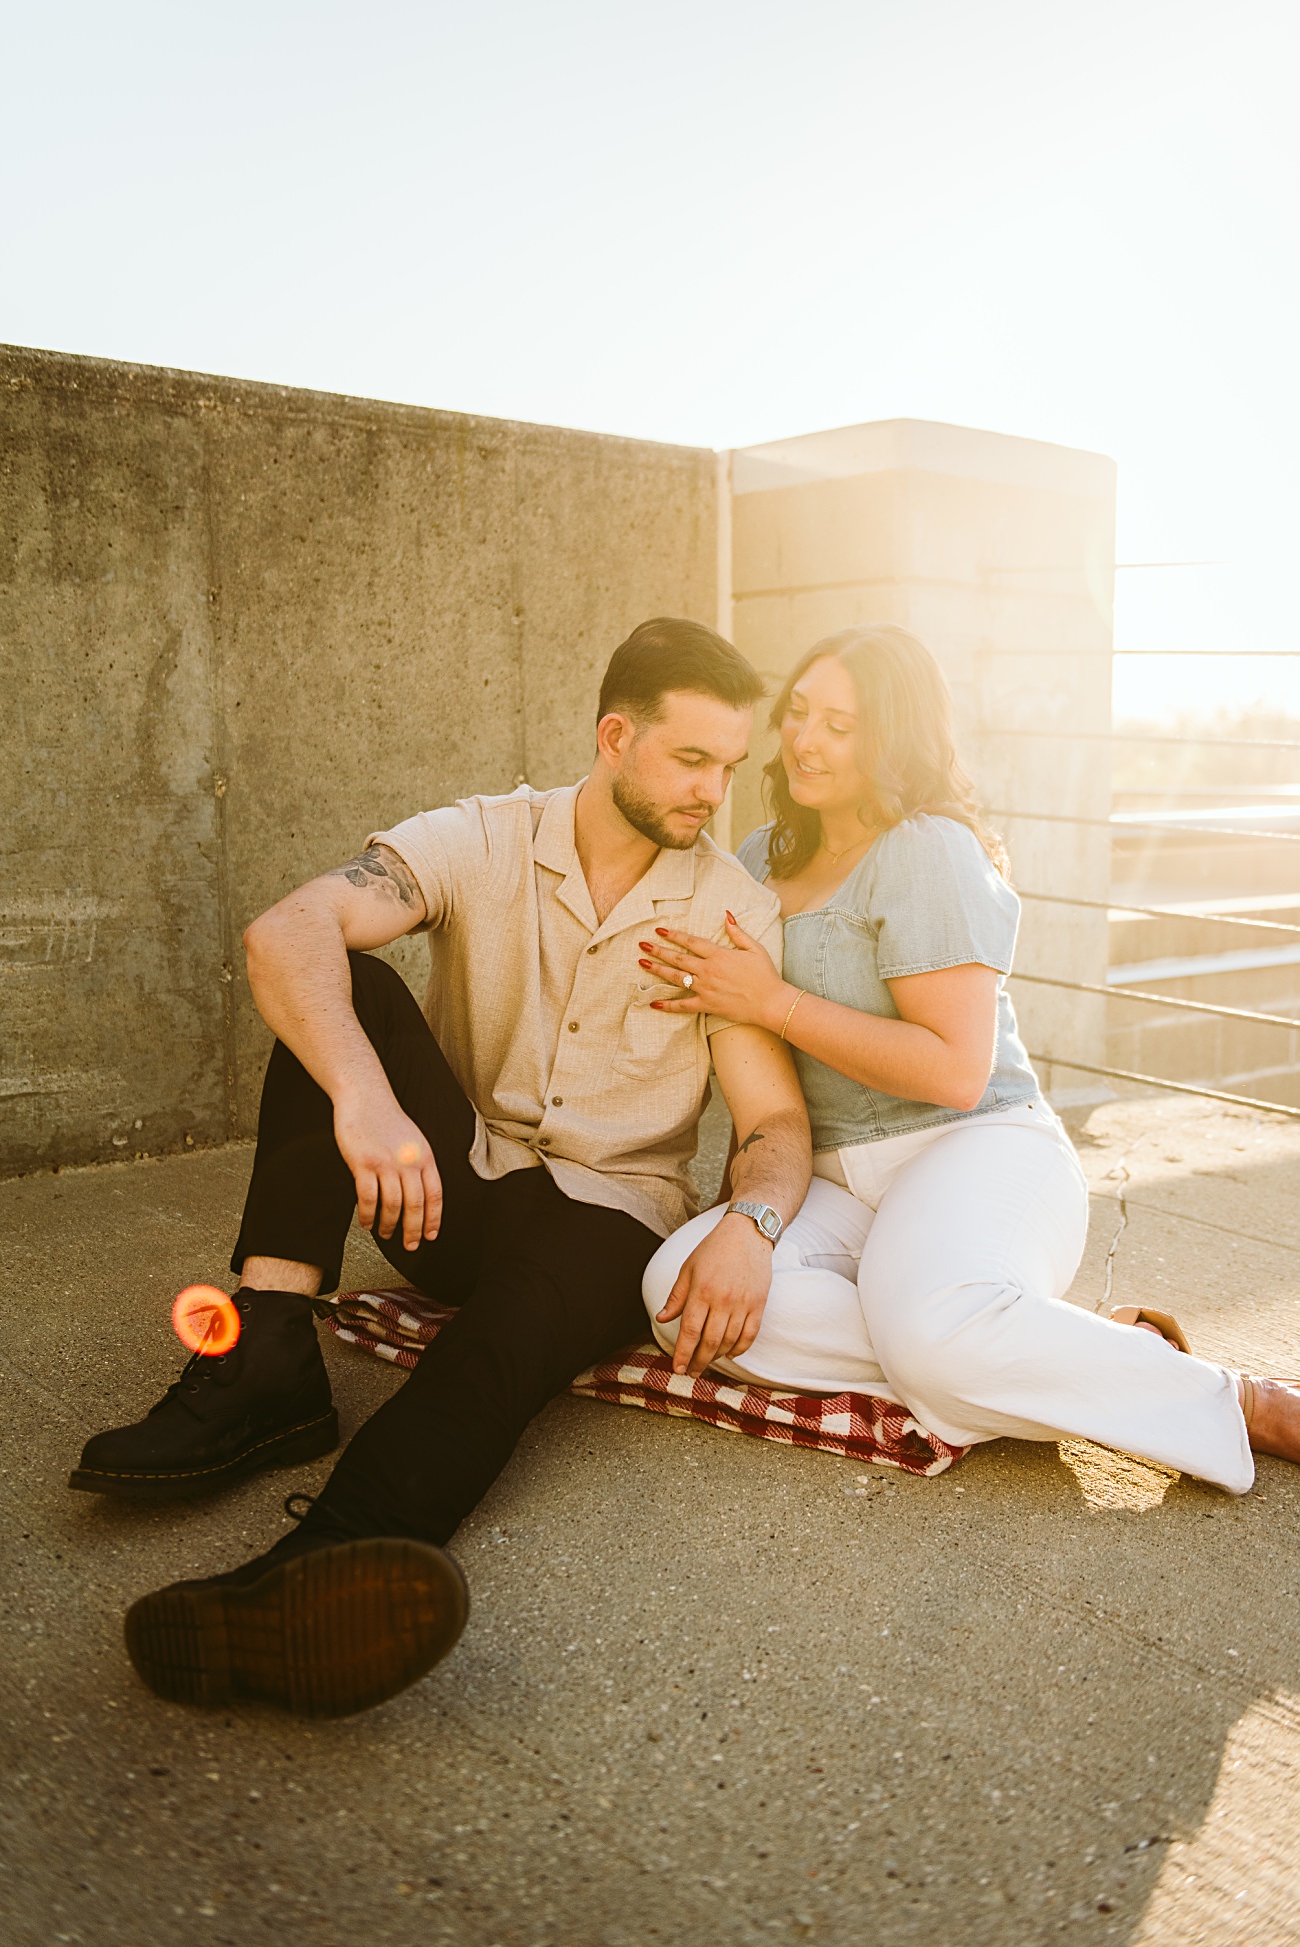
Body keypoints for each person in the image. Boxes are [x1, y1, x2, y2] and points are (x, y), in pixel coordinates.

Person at [75, 618, 812, 1717]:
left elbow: (773, 1120)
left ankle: (316, 1575)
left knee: (500, 1344)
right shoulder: (483, 835)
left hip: (609, 1219)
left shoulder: (729, 912)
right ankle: (267, 1361)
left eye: (730, 766)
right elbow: (288, 929)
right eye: (691, 759)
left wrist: (749, 1228)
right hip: (453, 1184)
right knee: (345, 990)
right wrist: (367, 1101)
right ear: (616, 736)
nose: (716, 792)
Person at [638, 623, 1300, 1490]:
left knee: (928, 1332)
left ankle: (1228, 1399)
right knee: (683, 1295)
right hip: (833, 1181)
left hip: (976, 1148)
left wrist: (774, 1000)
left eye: (840, 725)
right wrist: (745, 1211)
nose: (804, 738)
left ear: (891, 737)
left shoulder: (927, 848)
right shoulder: (761, 857)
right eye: (799, 712)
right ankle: (1028, 1343)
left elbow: (955, 1071)